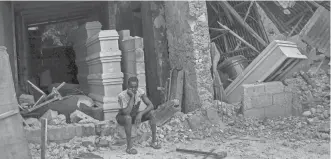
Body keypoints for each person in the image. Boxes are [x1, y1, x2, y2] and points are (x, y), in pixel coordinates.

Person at [116, 77, 161, 154]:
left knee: (152, 113)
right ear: (127, 86)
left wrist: (140, 114)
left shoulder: (140, 92)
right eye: (131, 87)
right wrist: (132, 97)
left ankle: (153, 142)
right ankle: (129, 148)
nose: (133, 89)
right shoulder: (122, 95)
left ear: (138, 86)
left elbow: (151, 105)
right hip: (122, 117)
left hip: (134, 115)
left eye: (135, 87)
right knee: (128, 118)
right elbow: (126, 112)